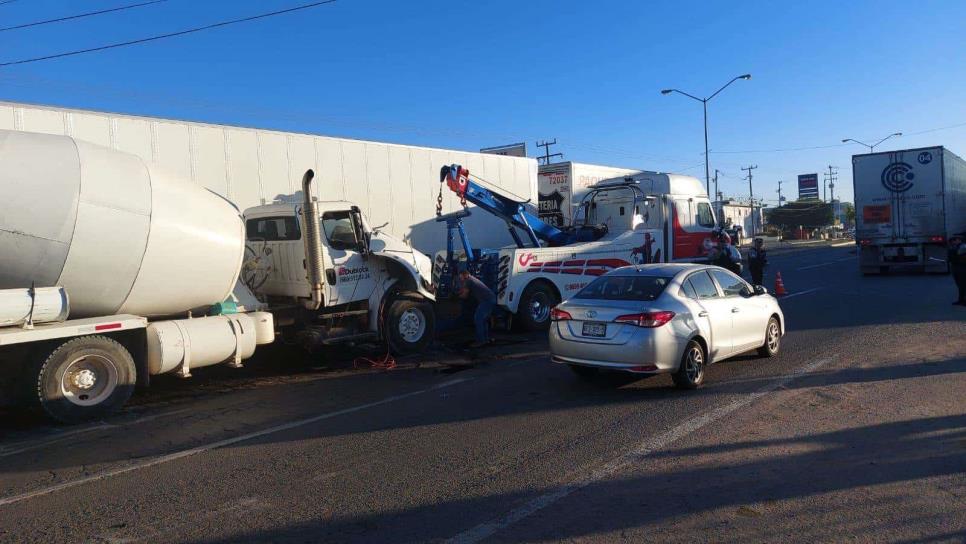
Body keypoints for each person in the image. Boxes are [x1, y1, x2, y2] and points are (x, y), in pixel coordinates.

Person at [459, 268, 496, 347]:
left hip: (486, 301)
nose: (460, 278)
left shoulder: (468, 281)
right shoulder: (472, 279)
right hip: (491, 299)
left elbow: (465, 295)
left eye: (460, 276)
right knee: (484, 320)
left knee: (478, 319)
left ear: (465, 275)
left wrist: (456, 296)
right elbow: (465, 290)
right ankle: (486, 339)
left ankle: (481, 341)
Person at [949, 234, 966, 306]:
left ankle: (963, 300)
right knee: (960, 285)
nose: (953, 242)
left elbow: (957, 254)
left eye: (955, 240)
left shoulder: (963, 247)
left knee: (963, 285)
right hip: (956, 267)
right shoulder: (957, 247)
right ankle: (961, 300)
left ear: (959, 240)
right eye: (953, 240)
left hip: (961, 268)